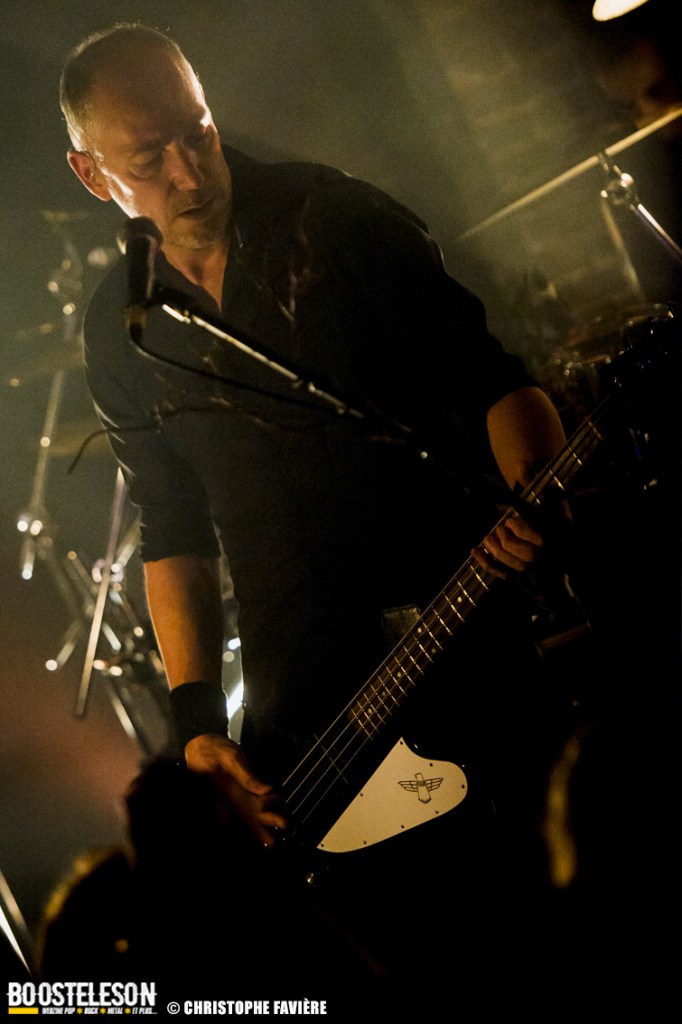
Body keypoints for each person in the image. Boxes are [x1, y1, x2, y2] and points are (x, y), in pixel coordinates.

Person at [59, 22, 568, 1004]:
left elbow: (495, 380)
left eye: (198, 132)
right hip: (302, 710)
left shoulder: (334, 223)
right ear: (92, 175)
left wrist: (536, 493)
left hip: (457, 641)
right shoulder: (120, 329)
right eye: (149, 157)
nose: (189, 169)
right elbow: (171, 532)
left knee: (529, 919)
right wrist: (197, 724)